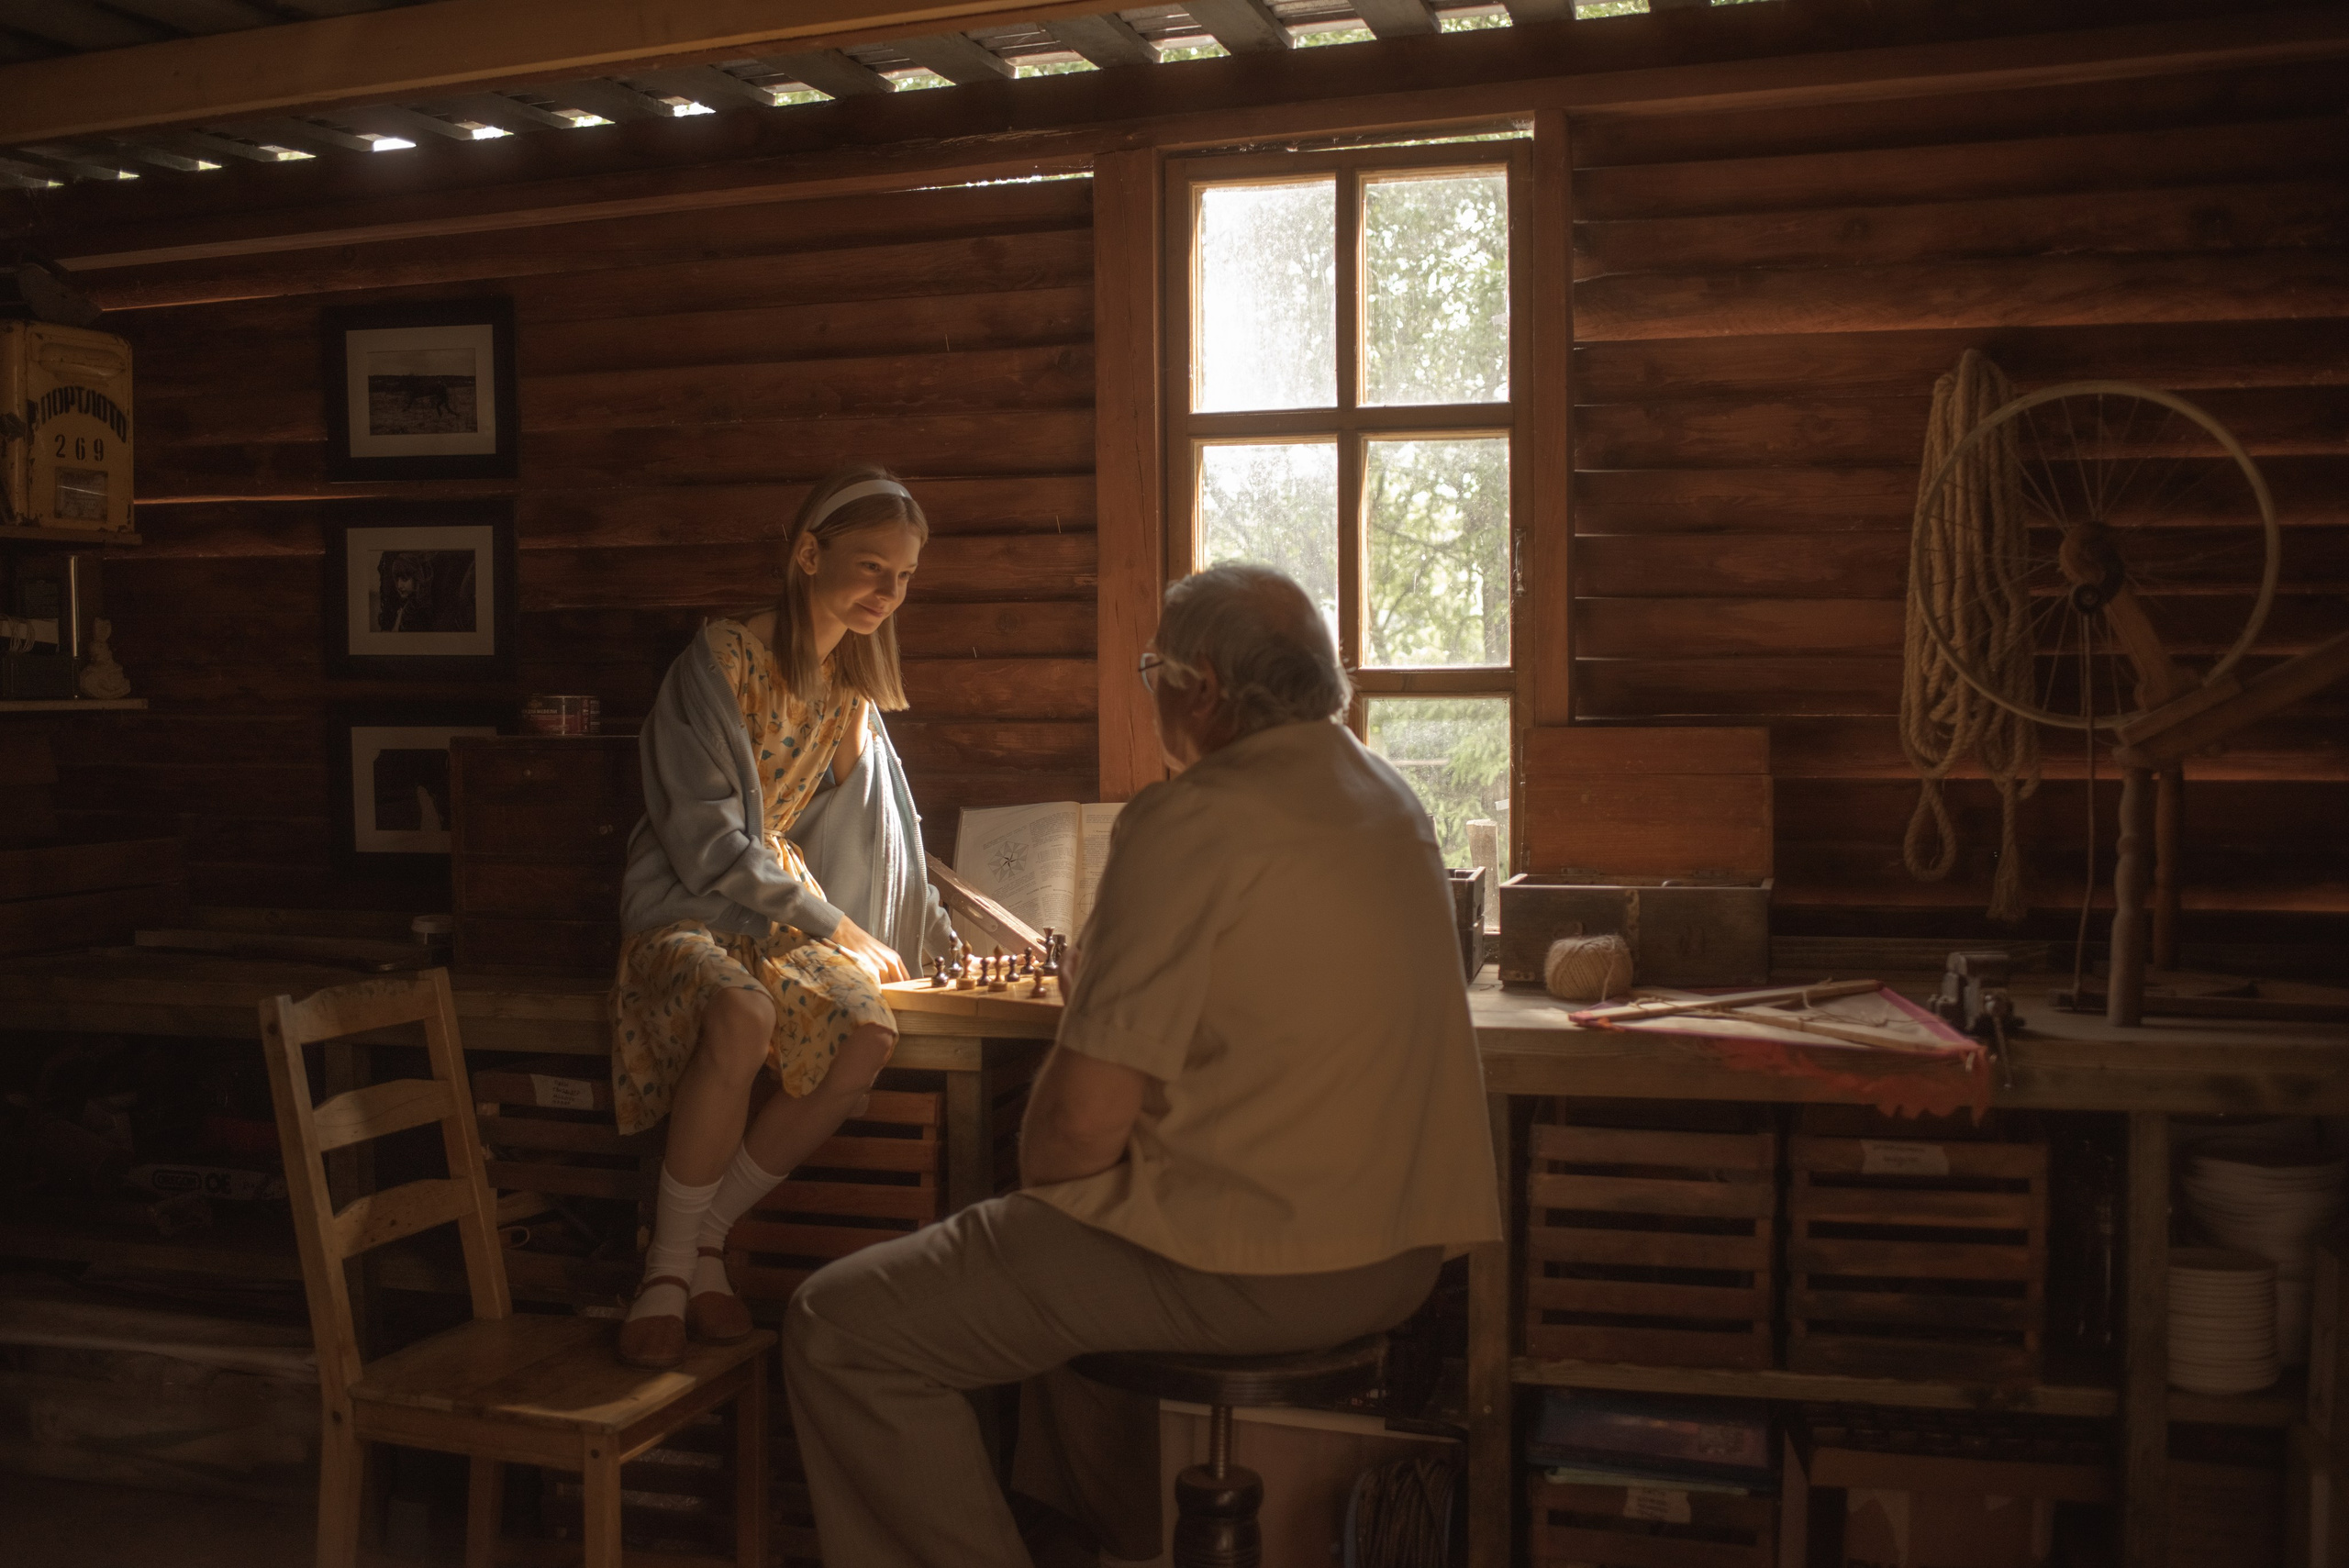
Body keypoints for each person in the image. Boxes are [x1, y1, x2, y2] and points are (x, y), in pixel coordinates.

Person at [781, 562, 1503, 1566]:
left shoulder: (1190, 818)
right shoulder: (1386, 795)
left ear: (1199, 684)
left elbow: (1069, 1140)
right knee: (1045, 1274)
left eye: (1150, 667)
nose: (1148, 685)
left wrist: (1087, 1021)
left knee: (843, 1325)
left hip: (1260, 1267)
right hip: (1397, 1258)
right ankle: (1096, 1541)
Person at [610, 465, 954, 1370]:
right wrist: (837, 928)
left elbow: (884, 838)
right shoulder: (719, 659)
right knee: (741, 1012)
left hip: (776, 911)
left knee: (866, 1036)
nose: (889, 591)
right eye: (873, 566)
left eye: (906, 576)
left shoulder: (850, 693)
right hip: (690, 897)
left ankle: (704, 1236)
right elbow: (709, 841)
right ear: (808, 553)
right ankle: (666, 1270)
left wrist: (926, 941)